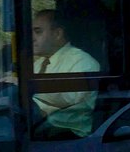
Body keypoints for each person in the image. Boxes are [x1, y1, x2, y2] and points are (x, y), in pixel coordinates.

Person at [30, 9, 99, 137]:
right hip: (41, 127)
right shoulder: (39, 63)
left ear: (57, 34)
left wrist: (28, 85)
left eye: (38, 32)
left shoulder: (82, 61)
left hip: (68, 135)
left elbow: (72, 97)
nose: (31, 38)